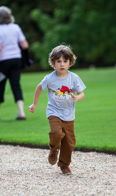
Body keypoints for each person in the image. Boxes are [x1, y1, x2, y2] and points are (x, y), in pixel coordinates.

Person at [28, 45, 86, 175]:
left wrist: (77, 97)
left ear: (70, 62)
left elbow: (82, 94)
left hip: (69, 114)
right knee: (56, 133)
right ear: (53, 62)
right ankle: (54, 150)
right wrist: (34, 104)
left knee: (70, 143)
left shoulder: (74, 78)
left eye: (65, 61)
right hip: (54, 112)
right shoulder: (49, 78)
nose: (62, 64)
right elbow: (38, 88)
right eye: (58, 61)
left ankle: (64, 165)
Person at [0, 6, 28, 121]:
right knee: (16, 85)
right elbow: (25, 45)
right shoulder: (16, 27)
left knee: (0, 85)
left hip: (4, 61)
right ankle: (21, 112)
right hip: (16, 59)